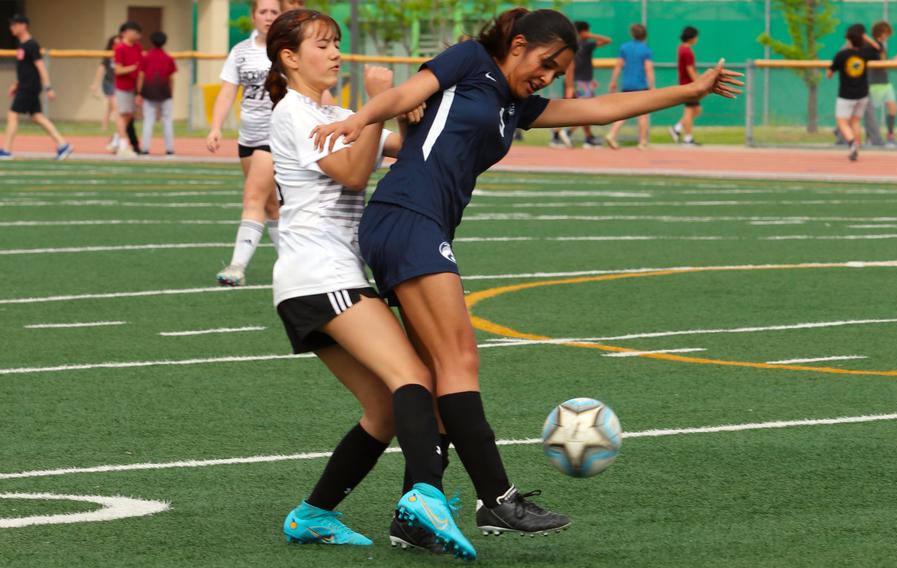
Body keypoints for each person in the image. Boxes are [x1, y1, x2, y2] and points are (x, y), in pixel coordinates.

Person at [311, 7, 741, 546]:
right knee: (460, 359)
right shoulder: (470, 60)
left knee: (441, 373)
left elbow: (602, 107)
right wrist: (361, 118)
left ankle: (419, 509)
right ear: (517, 44)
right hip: (407, 216)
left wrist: (688, 91)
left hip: (416, 223)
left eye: (558, 72)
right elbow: (407, 93)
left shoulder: (515, 106)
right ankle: (497, 499)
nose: (548, 76)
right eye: (546, 62)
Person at [264, 8, 474, 559]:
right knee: (415, 377)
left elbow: (405, 153)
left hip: (323, 276)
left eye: (337, 44)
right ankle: (424, 499)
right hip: (320, 272)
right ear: (289, 57)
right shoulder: (292, 112)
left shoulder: (333, 111)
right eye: (323, 45)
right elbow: (355, 173)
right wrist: (379, 102)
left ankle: (313, 514)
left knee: (384, 411)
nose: (335, 53)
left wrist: (402, 113)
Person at [207, 0, 281, 287]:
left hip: (274, 138)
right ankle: (293, 261)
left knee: (253, 198)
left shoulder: (287, 51)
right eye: (263, 12)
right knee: (272, 205)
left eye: (274, 12)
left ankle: (237, 266)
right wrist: (215, 127)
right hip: (247, 138)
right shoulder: (240, 52)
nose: (268, 17)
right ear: (253, 16)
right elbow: (227, 92)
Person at [0, 14, 72, 160]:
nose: (11, 28)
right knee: (37, 116)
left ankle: (6, 151)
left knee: (13, 115)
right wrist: (16, 84)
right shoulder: (22, 45)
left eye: (14, 25)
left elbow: (40, 67)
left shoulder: (31, 44)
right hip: (25, 85)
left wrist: (48, 87)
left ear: (23, 25)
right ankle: (63, 144)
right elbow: (26, 70)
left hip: (29, 88)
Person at [552, 20, 610, 148]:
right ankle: (569, 132)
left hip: (577, 82)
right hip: (582, 83)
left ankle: (558, 136)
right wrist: (590, 36)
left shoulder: (572, 45)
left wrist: (569, 85)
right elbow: (607, 40)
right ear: (584, 31)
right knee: (586, 112)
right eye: (587, 31)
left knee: (572, 111)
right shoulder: (584, 44)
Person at [827, 23, 879, 161]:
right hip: (862, 94)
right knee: (856, 121)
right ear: (862, 38)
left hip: (846, 95)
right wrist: (865, 38)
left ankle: (851, 143)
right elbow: (878, 48)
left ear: (848, 39)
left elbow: (829, 73)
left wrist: (833, 70)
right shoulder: (866, 53)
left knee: (842, 121)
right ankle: (856, 148)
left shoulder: (841, 55)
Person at [606, 23, 654, 149]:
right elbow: (648, 69)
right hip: (641, 86)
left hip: (627, 85)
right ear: (645, 35)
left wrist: (613, 81)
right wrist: (652, 86)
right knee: (643, 114)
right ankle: (642, 142)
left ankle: (611, 134)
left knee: (624, 112)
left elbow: (618, 65)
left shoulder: (624, 47)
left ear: (632, 34)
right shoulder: (646, 49)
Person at [137, 31, 177, 155]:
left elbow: (141, 76)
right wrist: (171, 93)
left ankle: (145, 148)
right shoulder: (168, 58)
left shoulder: (146, 56)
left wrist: (139, 93)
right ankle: (169, 149)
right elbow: (171, 78)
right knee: (167, 120)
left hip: (149, 91)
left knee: (148, 120)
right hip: (165, 92)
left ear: (151, 41)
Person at [112, 21, 144, 157]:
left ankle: (117, 140)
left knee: (129, 115)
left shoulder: (137, 47)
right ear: (127, 32)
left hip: (133, 86)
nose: (138, 35)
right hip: (122, 87)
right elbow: (118, 70)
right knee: (122, 114)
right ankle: (123, 145)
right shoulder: (119, 48)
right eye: (135, 32)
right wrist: (133, 68)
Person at [868, 21, 897, 148]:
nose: (888, 36)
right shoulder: (873, 45)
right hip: (874, 84)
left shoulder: (882, 46)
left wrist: (892, 62)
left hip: (885, 83)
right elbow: (881, 64)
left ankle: (890, 137)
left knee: (893, 108)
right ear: (881, 33)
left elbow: (884, 64)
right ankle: (870, 138)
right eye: (887, 33)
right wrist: (893, 62)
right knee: (869, 113)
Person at [668, 26, 701, 146]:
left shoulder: (681, 48)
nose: (697, 39)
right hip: (689, 85)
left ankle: (676, 129)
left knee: (697, 110)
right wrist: (699, 84)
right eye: (696, 36)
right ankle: (688, 138)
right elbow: (690, 71)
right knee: (689, 111)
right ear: (692, 37)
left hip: (686, 83)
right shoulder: (687, 51)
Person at [90, 34, 121, 150]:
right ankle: (118, 128)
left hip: (119, 84)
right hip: (109, 83)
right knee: (114, 106)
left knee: (110, 107)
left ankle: (104, 127)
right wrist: (95, 84)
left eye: (119, 43)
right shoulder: (108, 55)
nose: (117, 45)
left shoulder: (122, 53)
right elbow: (101, 69)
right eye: (115, 43)